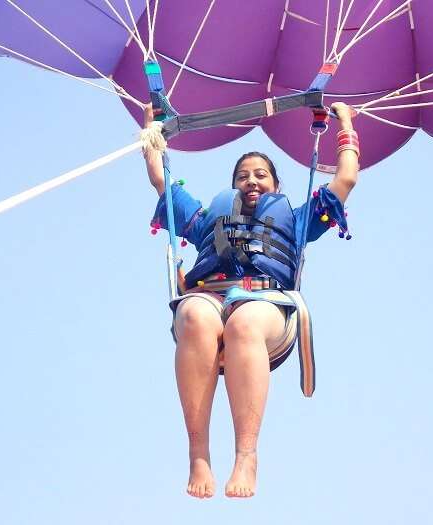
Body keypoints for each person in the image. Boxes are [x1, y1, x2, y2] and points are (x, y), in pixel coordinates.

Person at [142, 102, 359, 499]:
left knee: (243, 322)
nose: (251, 181)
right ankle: (198, 454)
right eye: (243, 176)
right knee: (191, 314)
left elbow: (346, 179)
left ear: (276, 186)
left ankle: (246, 456)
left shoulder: (296, 219)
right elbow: (160, 177)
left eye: (260, 175)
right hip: (210, 297)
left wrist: (344, 126)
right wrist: (152, 129)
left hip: (267, 306)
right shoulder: (206, 218)